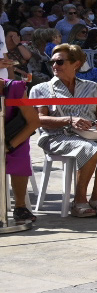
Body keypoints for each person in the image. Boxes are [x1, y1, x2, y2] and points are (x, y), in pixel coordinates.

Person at [29, 44, 97, 217]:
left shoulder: (91, 87)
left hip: (89, 134)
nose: (54, 66)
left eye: (60, 62)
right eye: (52, 62)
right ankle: (79, 200)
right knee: (90, 149)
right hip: (57, 136)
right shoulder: (41, 89)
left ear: (76, 64)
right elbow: (38, 120)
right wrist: (69, 120)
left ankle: (96, 198)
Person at [4, 56, 39, 225]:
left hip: (11, 136)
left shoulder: (14, 88)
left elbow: (33, 122)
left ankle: (20, 207)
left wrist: (9, 146)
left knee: (19, 151)